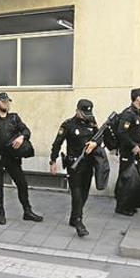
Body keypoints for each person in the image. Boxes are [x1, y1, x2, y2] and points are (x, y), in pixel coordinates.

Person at [0, 92, 42, 225]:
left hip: (12, 157)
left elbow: (26, 130)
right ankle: (1, 213)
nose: (6, 104)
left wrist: (22, 137)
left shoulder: (14, 118)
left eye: (8, 101)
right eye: (3, 101)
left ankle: (27, 211)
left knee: (22, 183)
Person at [50, 99, 99, 236]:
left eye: (88, 113)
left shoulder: (92, 122)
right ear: (77, 111)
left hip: (88, 164)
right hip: (74, 165)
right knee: (76, 194)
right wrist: (53, 161)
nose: (86, 116)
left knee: (84, 193)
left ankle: (74, 217)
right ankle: (79, 221)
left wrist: (95, 143)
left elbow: (100, 138)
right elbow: (57, 143)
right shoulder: (68, 125)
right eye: (83, 113)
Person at [115, 88, 140, 217]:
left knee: (132, 179)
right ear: (138, 98)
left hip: (134, 151)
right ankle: (121, 207)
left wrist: (138, 144)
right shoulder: (128, 114)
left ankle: (129, 204)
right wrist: (133, 145)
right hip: (126, 152)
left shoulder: (137, 113)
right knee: (125, 178)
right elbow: (121, 132)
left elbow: (133, 132)